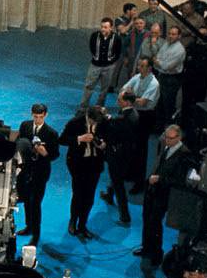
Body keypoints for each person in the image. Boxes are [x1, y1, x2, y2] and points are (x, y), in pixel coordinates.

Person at [135, 125, 193, 267]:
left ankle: (156, 254)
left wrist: (160, 179)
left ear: (179, 138)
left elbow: (180, 180)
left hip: (164, 195)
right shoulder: (166, 147)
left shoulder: (184, 155)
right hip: (153, 190)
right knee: (147, 219)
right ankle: (147, 248)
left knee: (155, 223)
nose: (166, 140)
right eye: (165, 137)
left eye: (170, 138)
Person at [60, 106, 108, 239]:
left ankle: (83, 225)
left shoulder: (102, 122)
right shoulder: (75, 123)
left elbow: (108, 136)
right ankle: (73, 222)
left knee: (89, 197)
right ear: (88, 116)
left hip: (95, 164)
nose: (94, 124)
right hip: (78, 164)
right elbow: (62, 139)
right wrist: (79, 139)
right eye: (93, 122)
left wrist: (104, 144)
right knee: (78, 194)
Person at [15, 104, 60, 244]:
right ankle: (29, 226)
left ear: (45, 115)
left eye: (40, 117)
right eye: (35, 116)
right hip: (25, 171)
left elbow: (55, 154)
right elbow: (20, 143)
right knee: (27, 201)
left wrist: (45, 153)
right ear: (32, 114)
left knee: (36, 204)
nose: (38, 119)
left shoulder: (51, 133)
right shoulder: (25, 126)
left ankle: (36, 234)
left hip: (40, 173)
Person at [122, 56, 161, 193]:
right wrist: (132, 97)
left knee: (140, 149)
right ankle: (130, 173)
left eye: (142, 66)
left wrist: (131, 97)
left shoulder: (154, 84)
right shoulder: (137, 77)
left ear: (149, 68)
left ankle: (139, 182)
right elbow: (123, 90)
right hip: (135, 113)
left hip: (146, 116)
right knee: (131, 145)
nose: (139, 68)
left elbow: (143, 102)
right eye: (139, 65)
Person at [99, 92, 138, 225]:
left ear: (127, 102)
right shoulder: (132, 114)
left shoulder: (125, 118)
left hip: (118, 155)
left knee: (118, 183)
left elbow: (115, 129)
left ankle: (125, 216)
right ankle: (110, 196)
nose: (117, 101)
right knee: (115, 177)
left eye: (120, 99)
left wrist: (105, 117)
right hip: (125, 154)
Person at [79, 17, 122, 109]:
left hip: (109, 67)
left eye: (105, 27)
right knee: (88, 86)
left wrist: (110, 61)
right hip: (95, 66)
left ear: (111, 28)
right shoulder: (95, 36)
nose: (103, 29)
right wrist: (96, 58)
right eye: (102, 27)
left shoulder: (116, 38)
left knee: (104, 89)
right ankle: (83, 106)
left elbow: (118, 53)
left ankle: (99, 106)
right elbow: (92, 48)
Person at [154, 26, 186, 128]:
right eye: (169, 33)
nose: (171, 36)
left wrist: (160, 63)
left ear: (179, 36)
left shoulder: (180, 50)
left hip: (172, 79)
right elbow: (157, 58)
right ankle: (158, 125)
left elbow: (166, 66)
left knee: (168, 104)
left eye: (173, 34)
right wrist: (160, 63)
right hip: (162, 76)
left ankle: (168, 128)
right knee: (159, 102)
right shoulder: (166, 44)